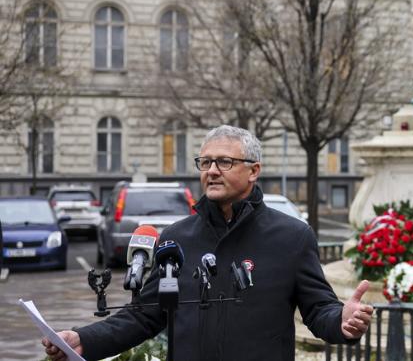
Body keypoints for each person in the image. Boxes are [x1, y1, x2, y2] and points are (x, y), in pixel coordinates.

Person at [43, 125, 373, 361]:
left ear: (253, 171)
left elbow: (318, 311)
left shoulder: (292, 237)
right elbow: (144, 316)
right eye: (205, 162)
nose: (212, 171)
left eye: (224, 162)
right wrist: (83, 339)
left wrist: (343, 321)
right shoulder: (175, 238)